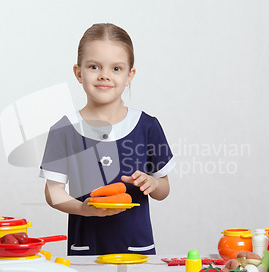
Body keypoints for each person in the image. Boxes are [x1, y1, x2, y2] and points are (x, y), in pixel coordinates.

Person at [40, 23, 175, 255]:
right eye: (94, 66)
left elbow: (163, 189)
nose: (104, 75)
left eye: (116, 68)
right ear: (78, 73)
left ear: (129, 75)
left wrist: (153, 184)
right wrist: (84, 209)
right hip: (85, 252)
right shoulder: (64, 130)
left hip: (138, 253)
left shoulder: (147, 126)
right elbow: (53, 192)